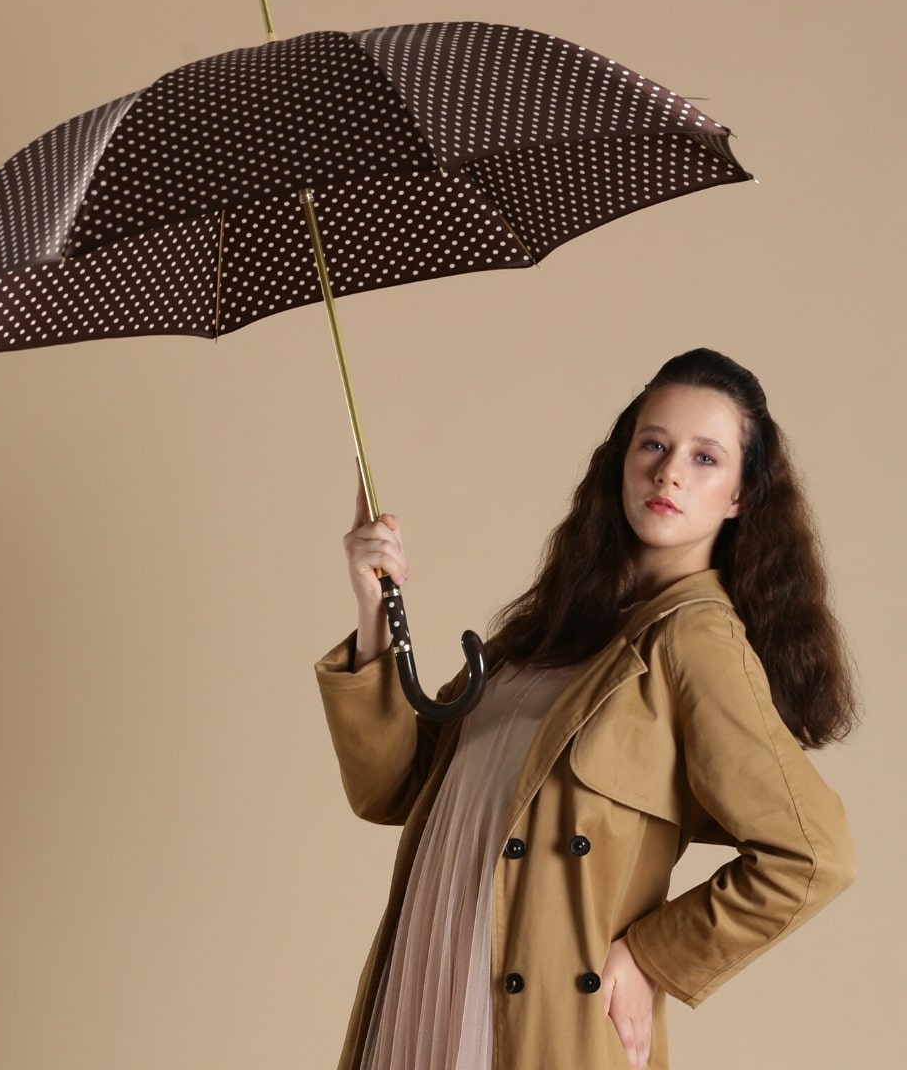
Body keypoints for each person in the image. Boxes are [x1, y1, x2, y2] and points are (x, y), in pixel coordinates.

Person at [315, 349, 857, 1070]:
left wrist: (650, 959)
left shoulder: (694, 638)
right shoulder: (552, 627)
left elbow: (814, 855)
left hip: (536, 1020)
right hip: (426, 976)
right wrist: (375, 609)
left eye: (705, 458)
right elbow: (391, 789)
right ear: (621, 460)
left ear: (741, 496)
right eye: (654, 444)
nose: (669, 472)